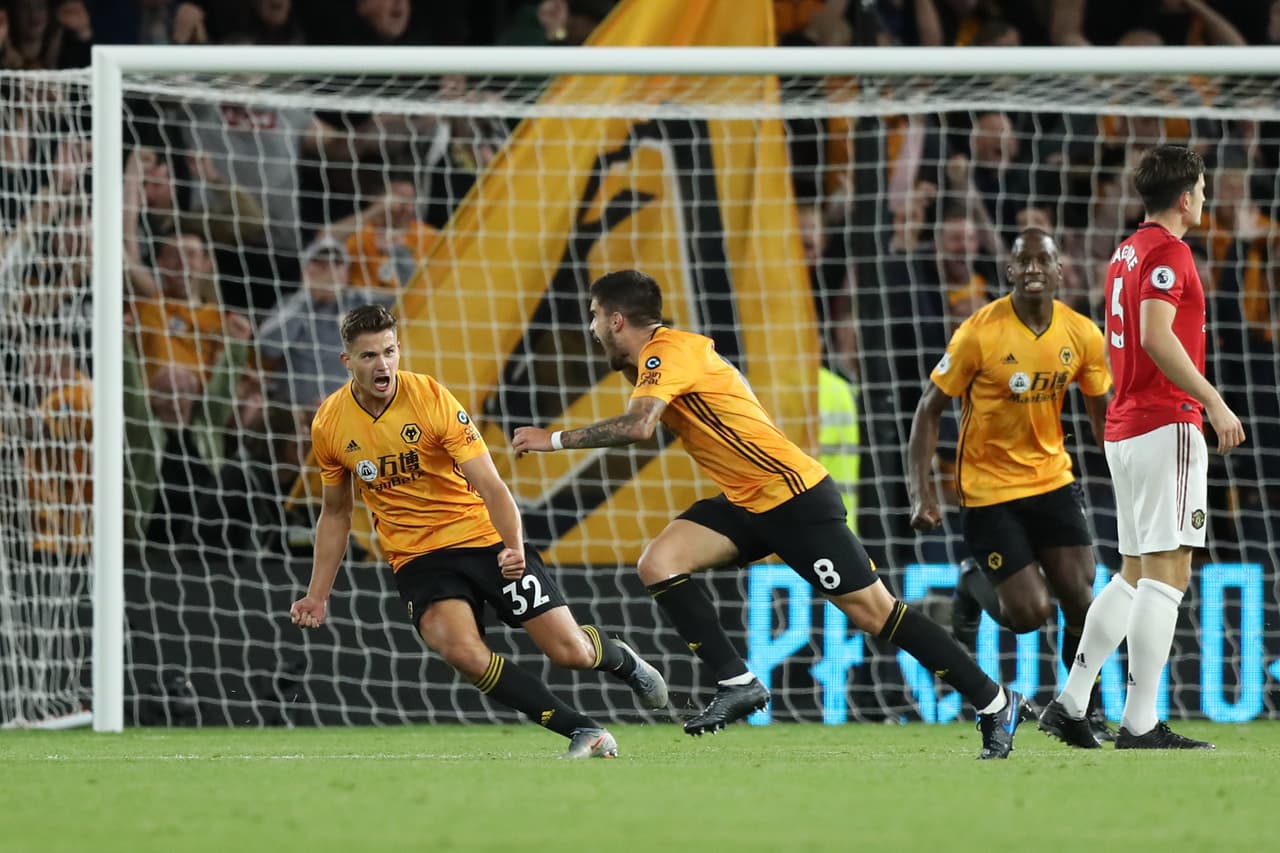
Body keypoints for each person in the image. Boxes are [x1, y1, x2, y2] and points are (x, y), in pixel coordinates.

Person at [511, 270, 1032, 759]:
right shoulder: (658, 360)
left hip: (793, 499)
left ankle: (994, 701)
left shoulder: (669, 353)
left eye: (595, 316)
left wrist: (551, 439)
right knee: (659, 562)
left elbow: (638, 427)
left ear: (616, 319)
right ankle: (736, 681)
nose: (592, 328)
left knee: (877, 615)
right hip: (748, 501)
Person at [289, 304, 667, 759]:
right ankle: (582, 730)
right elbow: (335, 514)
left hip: (481, 536)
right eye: (369, 356)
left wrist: (513, 547)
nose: (383, 364)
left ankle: (622, 659)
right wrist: (317, 593)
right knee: (461, 651)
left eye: (389, 352)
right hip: (417, 558)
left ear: (399, 350)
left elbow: (491, 485)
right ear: (347, 361)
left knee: (570, 652)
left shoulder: (431, 399)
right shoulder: (330, 424)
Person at [1039, 145, 1245, 750]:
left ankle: (1072, 701)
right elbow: (1156, 336)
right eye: (1202, 190)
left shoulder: (1124, 253)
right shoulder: (1170, 253)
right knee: (1169, 570)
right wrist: (1212, 400)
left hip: (1125, 428)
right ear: (1185, 197)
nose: (1204, 199)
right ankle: (1140, 721)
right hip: (1164, 424)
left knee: (1132, 573)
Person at [907, 227, 1114, 743]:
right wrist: (923, 493)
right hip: (989, 489)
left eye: (1043, 259)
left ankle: (1081, 707)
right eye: (1023, 262)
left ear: (1061, 268)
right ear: (1010, 271)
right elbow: (927, 412)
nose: (1033, 270)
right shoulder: (979, 333)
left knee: (1082, 601)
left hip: (1052, 480)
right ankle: (970, 583)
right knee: (1028, 616)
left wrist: (1127, 466)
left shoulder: (1082, 334)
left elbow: (1101, 413)